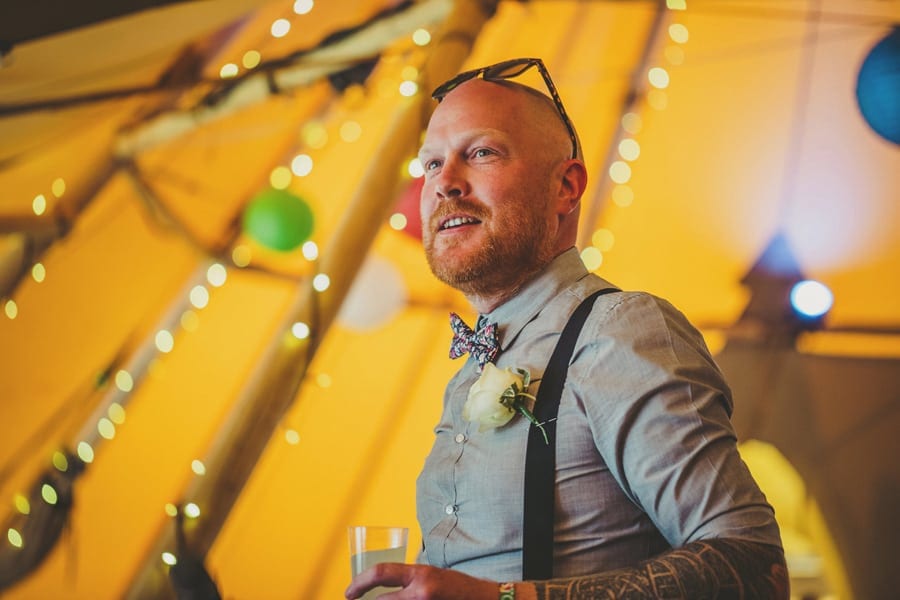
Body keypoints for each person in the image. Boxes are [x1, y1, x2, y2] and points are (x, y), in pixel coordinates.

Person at [346, 58, 789, 600]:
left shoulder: (620, 332)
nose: (445, 184)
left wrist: (505, 599)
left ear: (566, 187)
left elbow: (751, 566)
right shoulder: (471, 368)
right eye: (432, 163)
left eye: (481, 152)